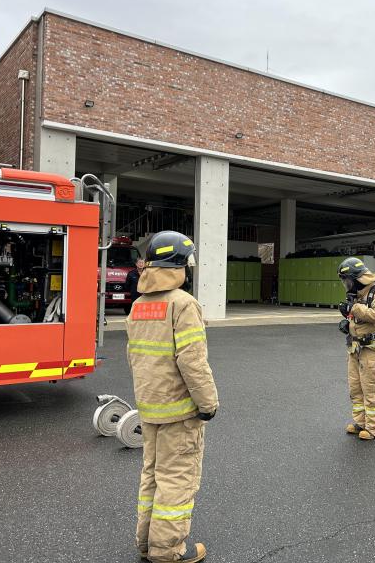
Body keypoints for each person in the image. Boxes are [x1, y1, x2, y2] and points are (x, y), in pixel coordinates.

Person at [127, 231, 218, 562]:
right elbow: (193, 362)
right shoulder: (183, 303)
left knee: (151, 477)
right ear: (179, 264)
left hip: (150, 410)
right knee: (177, 480)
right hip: (180, 414)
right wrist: (208, 404)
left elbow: (137, 358)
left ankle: (146, 543)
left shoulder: (138, 306)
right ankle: (167, 552)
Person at [337, 257, 375, 440]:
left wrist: (355, 308)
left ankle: (374, 428)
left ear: (356, 278)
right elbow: (359, 317)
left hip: (371, 351)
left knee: (371, 389)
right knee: (356, 388)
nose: (346, 285)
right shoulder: (357, 295)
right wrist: (348, 323)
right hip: (355, 348)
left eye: (348, 280)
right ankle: (361, 422)